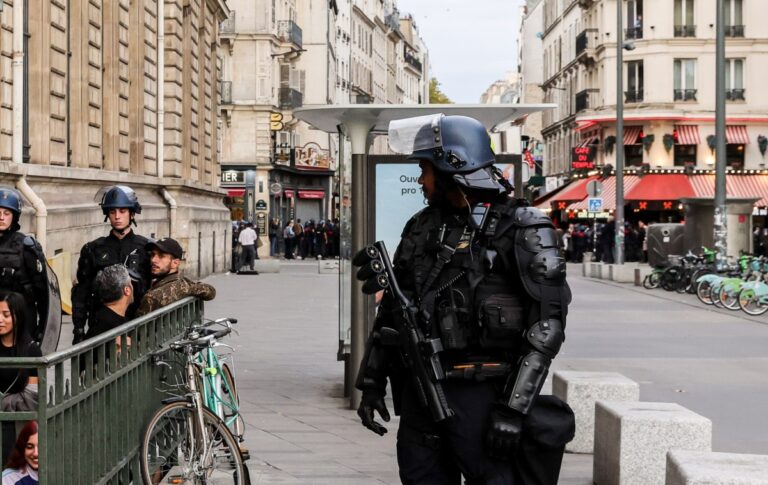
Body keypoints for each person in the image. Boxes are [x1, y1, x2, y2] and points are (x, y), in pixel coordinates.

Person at [355, 114, 574, 484]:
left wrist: (513, 410)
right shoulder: (421, 225)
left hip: (487, 396)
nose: (421, 180)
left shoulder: (524, 227)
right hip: (422, 394)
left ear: (451, 167)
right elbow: (394, 309)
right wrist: (373, 381)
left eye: (425, 169)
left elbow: (547, 326)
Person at [71, 186, 151, 344]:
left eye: (122, 211)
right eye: (113, 212)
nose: (117, 216)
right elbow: (82, 292)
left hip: (137, 326)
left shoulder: (145, 248)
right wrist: (79, 329)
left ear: (132, 213)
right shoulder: (93, 249)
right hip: (101, 326)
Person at [0, 187, 50, 344]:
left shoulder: (26, 246)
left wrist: (43, 327)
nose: (1, 218)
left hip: (22, 320)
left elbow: (42, 291)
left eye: (6, 213)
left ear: (14, 217)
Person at [0, 291, 41, 461]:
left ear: (18, 316)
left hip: (17, 426)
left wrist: (3, 402)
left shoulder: (31, 350)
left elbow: (31, 398)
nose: (0, 319)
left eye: (6, 315)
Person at [135, 238, 216, 316]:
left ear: (175, 263)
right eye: (153, 254)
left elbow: (136, 328)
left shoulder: (152, 297)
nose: (153, 260)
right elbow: (211, 291)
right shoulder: (182, 283)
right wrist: (186, 288)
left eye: (161, 256)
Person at [2, 421, 38, 485]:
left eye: (41, 447)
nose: (35, 453)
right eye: (29, 447)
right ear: (22, 448)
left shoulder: (59, 472)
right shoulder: (9, 478)